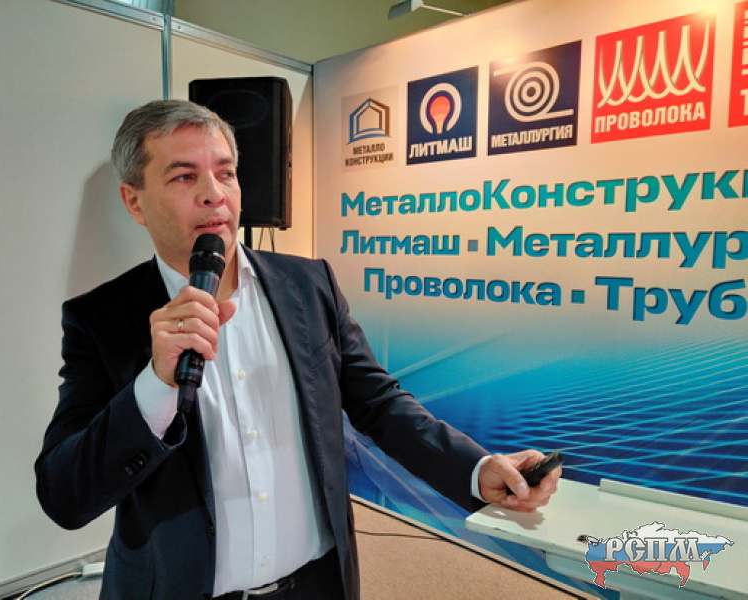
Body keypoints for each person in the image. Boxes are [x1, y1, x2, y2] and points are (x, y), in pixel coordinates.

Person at [35, 99, 560, 600]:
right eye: (184, 177)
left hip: (316, 586)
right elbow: (65, 495)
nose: (214, 194)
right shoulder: (100, 318)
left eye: (225, 172)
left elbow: (380, 404)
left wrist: (476, 469)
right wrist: (155, 384)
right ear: (135, 201)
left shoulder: (310, 285)